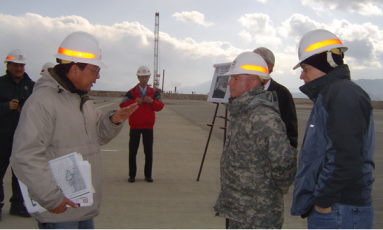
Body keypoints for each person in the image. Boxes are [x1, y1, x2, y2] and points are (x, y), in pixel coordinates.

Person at [10, 31, 138, 229]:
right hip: (60, 212)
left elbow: (97, 135)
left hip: (83, 206)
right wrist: (52, 199)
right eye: (95, 70)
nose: (98, 76)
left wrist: (113, 120)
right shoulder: (43, 102)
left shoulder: (80, 99)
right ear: (75, 69)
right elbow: (25, 156)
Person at [290, 29, 375, 230]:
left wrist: (323, 200)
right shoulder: (331, 94)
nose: (302, 76)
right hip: (335, 207)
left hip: (339, 209)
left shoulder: (343, 94)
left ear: (327, 63)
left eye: (306, 68)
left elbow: (345, 157)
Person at [214, 52, 297, 229]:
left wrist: (273, 191)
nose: (229, 84)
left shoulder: (262, 116)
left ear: (252, 83)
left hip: (258, 214)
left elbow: (284, 162)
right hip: (240, 209)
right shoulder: (243, 111)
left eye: (235, 79)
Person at [0, 49, 34, 220]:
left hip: (22, 136)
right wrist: (7, 107)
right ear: (8, 65)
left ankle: (18, 205)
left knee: (19, 172)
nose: (19, 68)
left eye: (21, 65)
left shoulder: (31, 86)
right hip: (3, 135)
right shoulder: (1, 83)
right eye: (15, 65)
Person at [119, 66, 164, 183]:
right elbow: (122, 105)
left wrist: (152, 101)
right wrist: (134, 102)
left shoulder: (154, 92)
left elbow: (160, 106)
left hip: (148, 127)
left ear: (149, 77)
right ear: (138, 77)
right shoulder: (132, 92)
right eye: (142, 77)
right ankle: (132, 175)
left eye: (146, 77)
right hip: (134, 126)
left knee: (148, 152)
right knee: (132, 152)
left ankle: (148, 175)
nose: (144, 79)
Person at [253, 47, 298, 148]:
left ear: (269, 66)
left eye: (256, 62)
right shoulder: (244, 92)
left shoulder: (282, 94)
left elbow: (290, 132)